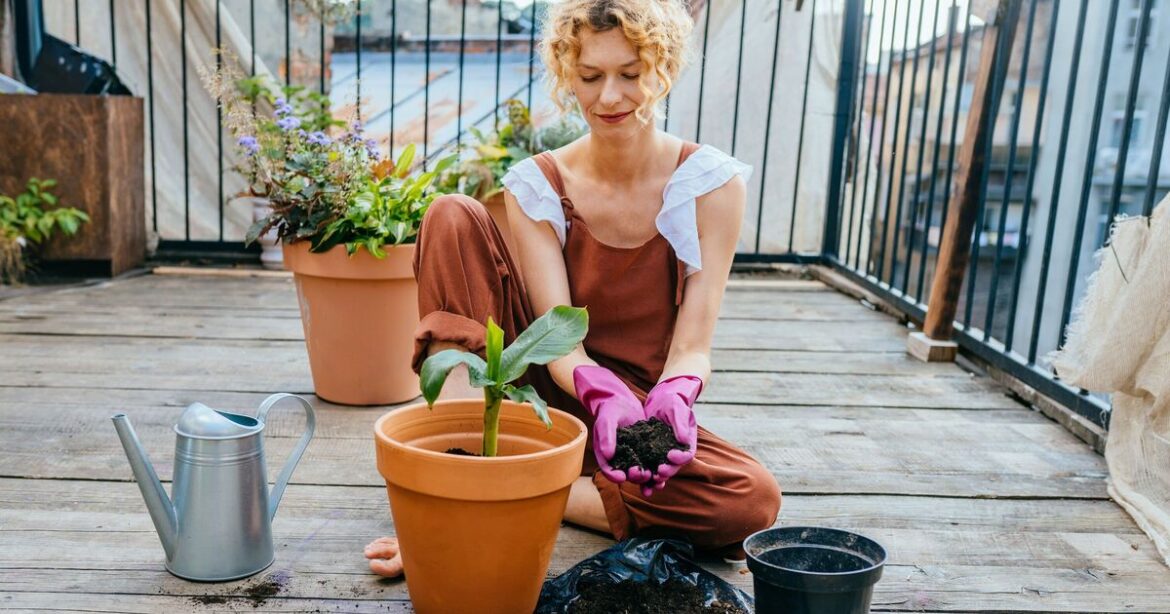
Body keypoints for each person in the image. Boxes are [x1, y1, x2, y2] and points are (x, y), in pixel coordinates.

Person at [365, 0, 781, 577]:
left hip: (635, 415)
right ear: (567, 75)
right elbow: (559, 334)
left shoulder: (712, 184)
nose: (610, 97)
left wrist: (675, 395)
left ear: (663, 68)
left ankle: (512, 485)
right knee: (451, 215)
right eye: (590, 77)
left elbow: (693, 346)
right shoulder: (539, 184)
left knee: (750, 501)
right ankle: (458, 479)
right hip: (546, 386)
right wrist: (596, 390)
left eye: (631, 75)